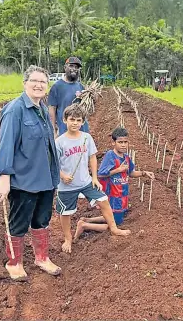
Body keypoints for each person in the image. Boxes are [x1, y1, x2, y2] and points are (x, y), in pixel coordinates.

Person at [0, 65, 61, 281]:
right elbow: (6, 144)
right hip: (24, 179)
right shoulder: (15, 110)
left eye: (43, 82)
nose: (39, 85)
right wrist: (4, 177)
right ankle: (14, 262)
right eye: (34, 81)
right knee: (19, 221)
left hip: (45, 178)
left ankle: (42, 258)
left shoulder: (42, 108)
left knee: (42, 219)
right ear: (25, 83)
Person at [55, 104, 131, 253]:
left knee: (103, 201)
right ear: (65, 120)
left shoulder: (86, 138)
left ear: (83, 122)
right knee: (65, 213)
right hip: (66, 186)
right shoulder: (59, 142)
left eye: (78, 120)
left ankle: (114, 228)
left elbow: (92, 158)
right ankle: (68, 239)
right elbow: (53, 164)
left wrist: (94, 178)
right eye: (72, 119)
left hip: (86, 182)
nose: (75, 123)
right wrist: (62, 176)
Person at [83, 127, 155, 230]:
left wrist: (144, 173)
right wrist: (118, 170)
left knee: (116, 218)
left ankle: (87, 220)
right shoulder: (110, 155)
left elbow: (131, 172)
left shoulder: (126, 157)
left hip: (122, 194)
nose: (123, 145)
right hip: (112, 195)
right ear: (113, 143)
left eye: (125, 142)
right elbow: (101, 174)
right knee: (116, 223)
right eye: (120, 142)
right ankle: (85, 226)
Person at [48, 56, 90, 137]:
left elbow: (87, 109)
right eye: (71, 66)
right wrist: (53, 131)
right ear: (65, 67)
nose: (74, 69)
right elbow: (51, 111)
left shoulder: (81, 86)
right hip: (65, 132)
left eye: (76, 67)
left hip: (82, 131)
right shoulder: (56, 87)